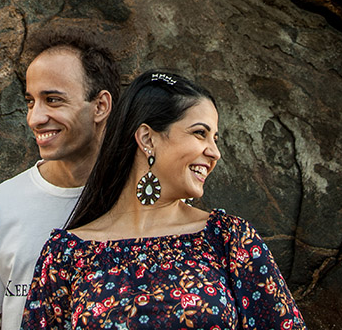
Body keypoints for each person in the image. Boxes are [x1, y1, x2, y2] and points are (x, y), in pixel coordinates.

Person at [20, 70, 307, 330]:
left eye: (214, 138)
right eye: (200, 133)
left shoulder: (228, 239)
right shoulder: (67, 254)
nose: (214, 152)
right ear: (147, 139)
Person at [0, 29, 122, 330]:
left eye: (52, 100)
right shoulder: (0, 204)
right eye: (30, 102)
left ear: (100, 106)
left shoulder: (142, 201)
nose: (34, 118)